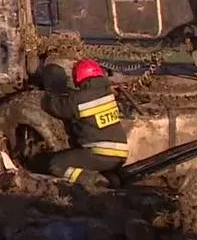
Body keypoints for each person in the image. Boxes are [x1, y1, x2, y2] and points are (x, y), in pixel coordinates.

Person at [37, 58, 128, 187]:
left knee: (56, 164)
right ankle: (110, 178)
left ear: (78, 77)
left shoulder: (79, 99)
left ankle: (92, 180)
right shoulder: (107, 93)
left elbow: (56, 107)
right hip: (120, 153)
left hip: (101, 153)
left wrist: (47, 95)